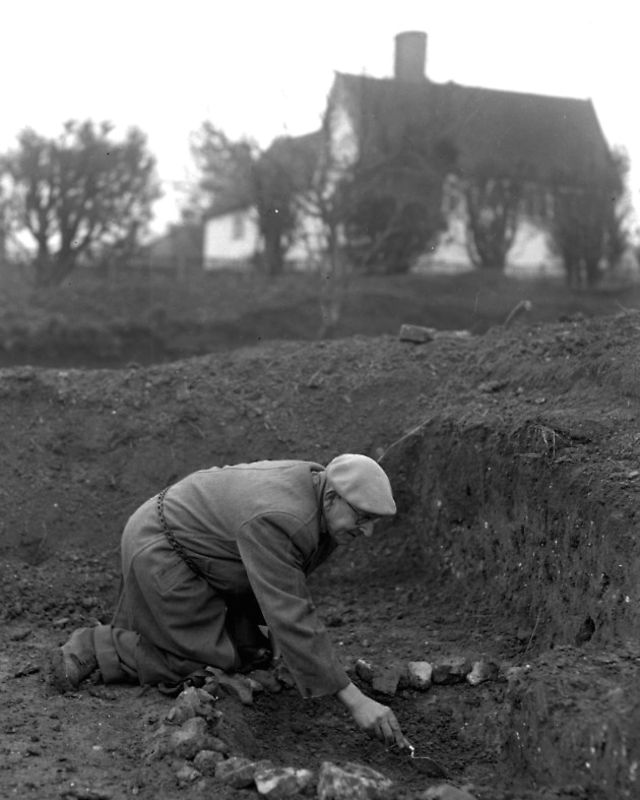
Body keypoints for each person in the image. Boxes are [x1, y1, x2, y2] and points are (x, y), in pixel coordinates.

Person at [48, 454, 408, 747]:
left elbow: (283, 585)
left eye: (374, 520)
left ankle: (165, 630)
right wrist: (356, 700)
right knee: (212, 659)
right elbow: (290, 610)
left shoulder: (319, 492)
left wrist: (282, 639)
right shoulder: (286, 517)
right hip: (165, 552)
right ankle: (97, 646)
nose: (368, 531)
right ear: (331, 498)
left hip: (206, 560)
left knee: (255, 651)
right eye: (362, 517)